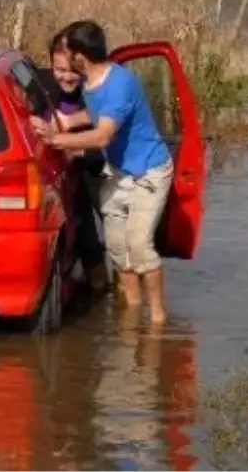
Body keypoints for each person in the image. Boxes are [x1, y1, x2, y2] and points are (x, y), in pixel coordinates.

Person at [34, 19, 174, 325]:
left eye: (69, 52)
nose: (65, 60)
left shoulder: (120, 84)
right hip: (119, 171)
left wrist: (57, 139)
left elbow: (102, 136)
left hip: (149, 172)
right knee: (117, 245)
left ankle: (159, 319)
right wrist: (67, 122)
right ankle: (133, 314)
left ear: (80, 56)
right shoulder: (89, 81)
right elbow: (96, 114)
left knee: (139, 245)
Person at [34, 30, 109, 294]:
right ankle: (94, 289)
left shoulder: (98, 88)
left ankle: (121, 301)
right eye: (59, 69)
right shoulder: (39, 84)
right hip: (60, 177)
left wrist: (72, 136)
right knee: (82, 234)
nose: (67, 76)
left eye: (73, 70)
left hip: (93, 169)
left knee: (115, 234)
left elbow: (108, 122)